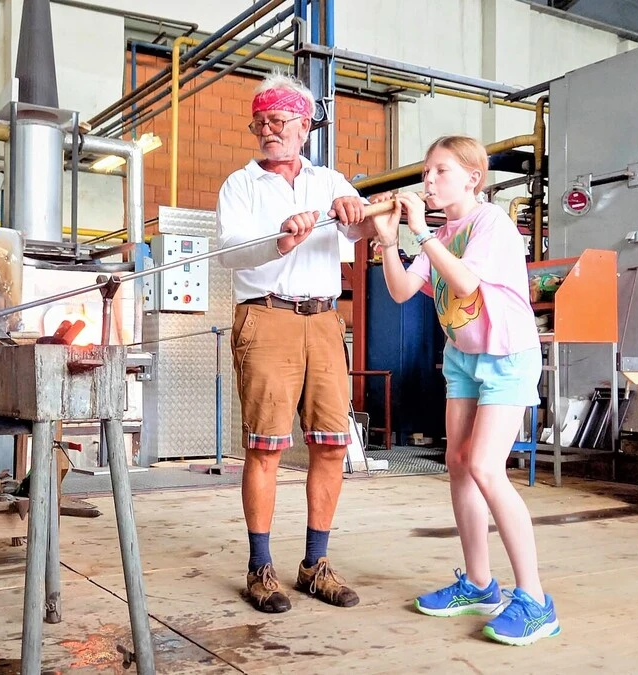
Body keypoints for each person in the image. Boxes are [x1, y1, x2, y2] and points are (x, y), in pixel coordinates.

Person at [366, 135, 560, 646]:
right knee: (457, 463)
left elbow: (468, 284)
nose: (428, 181)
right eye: (426, 173)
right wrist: (389, 242)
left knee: (485, 467)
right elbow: (403, 289)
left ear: (473, 177)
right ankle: (478, 583)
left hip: (506, 356)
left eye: (441, 171)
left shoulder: (489, 223)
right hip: (464, 358)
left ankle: (536, 599)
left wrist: (417, 233)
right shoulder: (444, 231)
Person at [215, 73, 372, 614]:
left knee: (330, 443)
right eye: (260, 123)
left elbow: (362, 231)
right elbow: (230, 254)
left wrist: (360, 215)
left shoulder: (331, 182)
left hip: (325, 321)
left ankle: (315, 566)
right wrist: (282, 237)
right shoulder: (240, 185)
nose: (267, 131)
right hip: (268, 317)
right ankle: (261, 569)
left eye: (278, 122)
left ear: (304, 126)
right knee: (266, 447)